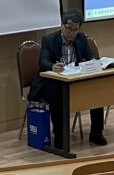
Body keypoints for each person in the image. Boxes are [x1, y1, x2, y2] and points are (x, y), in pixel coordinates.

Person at [29, 9, 107, 149]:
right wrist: (52, 66)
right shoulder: (49, 40)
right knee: (58, 95)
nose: (72, 33)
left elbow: (91, 56)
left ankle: (96, 133)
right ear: (62, 25)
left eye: (75, 30)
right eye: (69, 29)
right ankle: (60, 137)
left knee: (96, 90)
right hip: (51, 82)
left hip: (74, 80)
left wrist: (95, 62)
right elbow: (43, 62)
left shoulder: (81, 38)